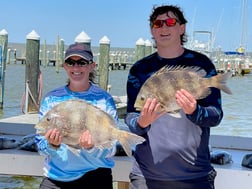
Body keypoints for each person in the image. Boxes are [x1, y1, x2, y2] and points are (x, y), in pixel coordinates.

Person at [125, 5, 222, 189]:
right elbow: (130, 116)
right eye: (158, 23)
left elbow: (216, 115)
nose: (164, 28)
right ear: (152, 30)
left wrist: (195, 111)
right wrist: (142, 122)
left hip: (195, 177)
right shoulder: (139, 70)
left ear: (182, 28)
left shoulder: (202, 65)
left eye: (170, 22)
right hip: (146, 176)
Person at [35, 43, 118, 189]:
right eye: (70, 62)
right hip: (56, 178)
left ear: (92, 66)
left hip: (96, 177)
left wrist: (92, 147)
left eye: (81, 62)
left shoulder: (104, 99)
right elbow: (40, 146)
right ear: (65, 66)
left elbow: (112, 147)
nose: (76, 67)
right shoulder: (51, 99)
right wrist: (52, 145)